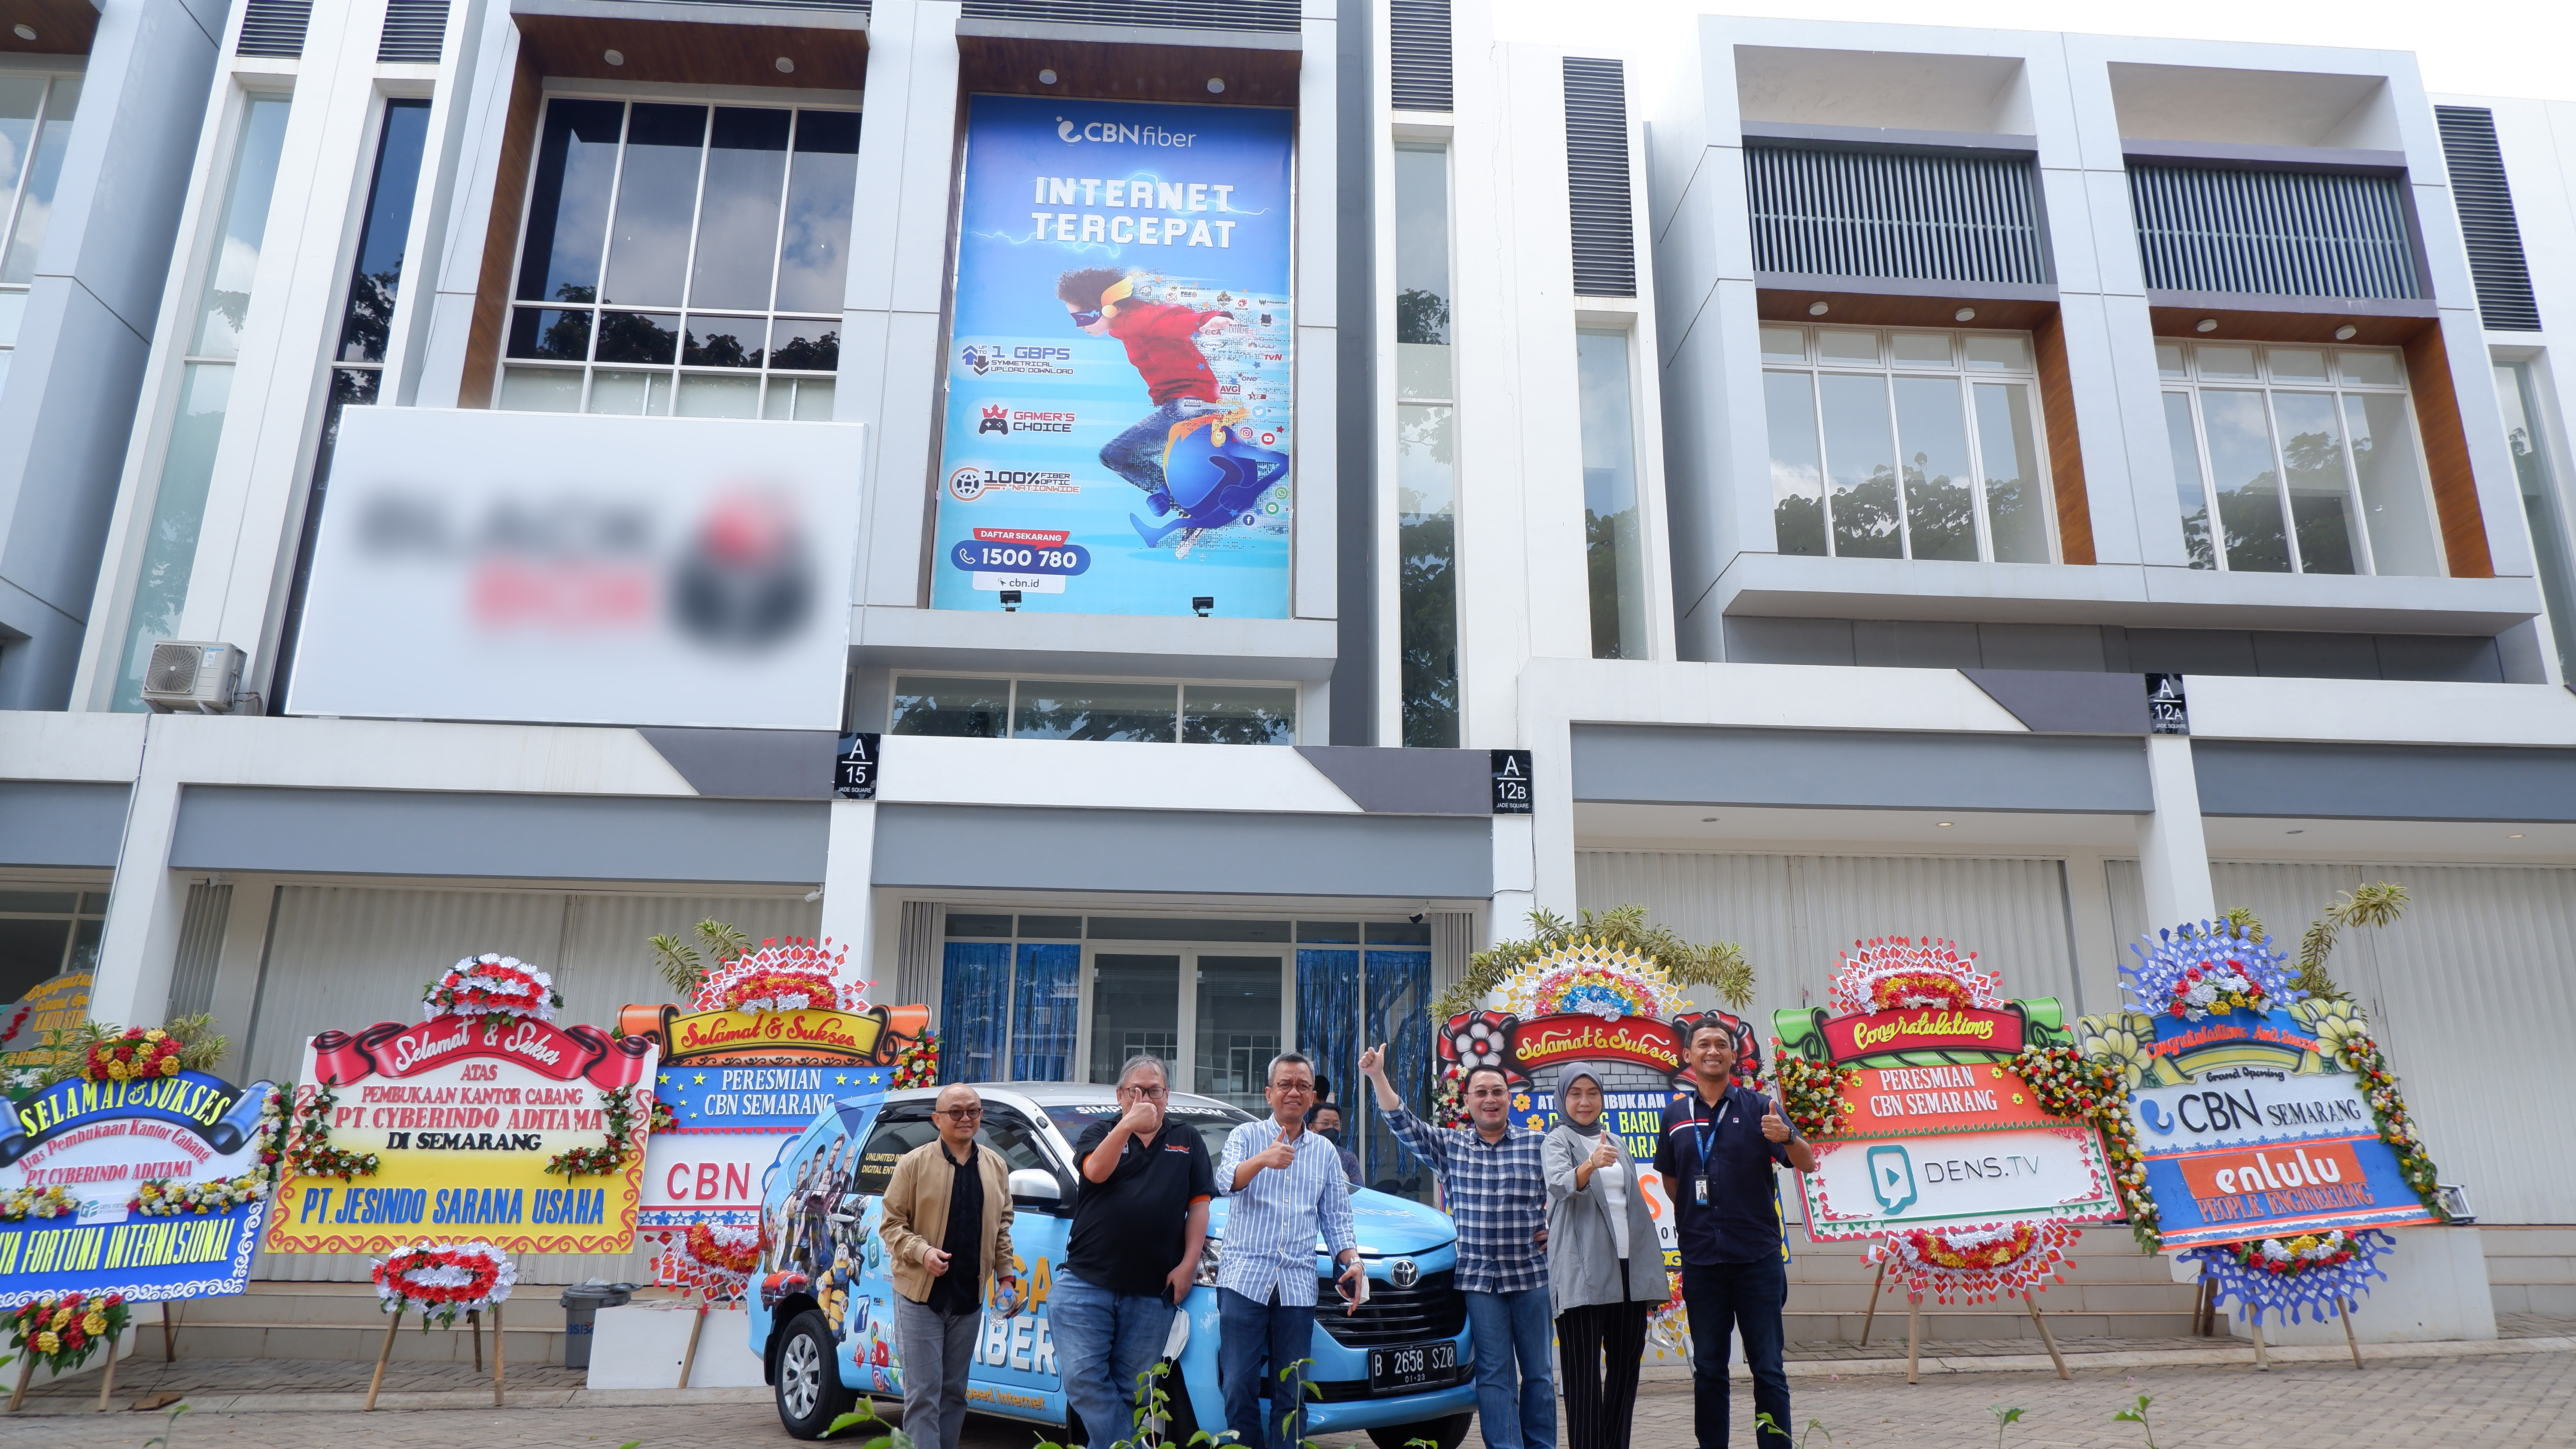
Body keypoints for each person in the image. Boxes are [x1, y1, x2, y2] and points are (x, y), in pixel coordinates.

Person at [1359, 1043, 1555, 1449]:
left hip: (1532, 1276)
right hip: (1480, 1283)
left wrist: (1559, 1227)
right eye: (1481, 1092)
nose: (1490, 1099)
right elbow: (1401, 1122)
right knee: (1494, 1374)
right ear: (1467, 1101)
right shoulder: (1452, 1147)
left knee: (1538, 1374)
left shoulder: (1539, 1145)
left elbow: (1572, 1192)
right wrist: (1378, 1076)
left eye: (1497, 1091)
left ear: (1509, 1097)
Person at [1653, 1026, 1815, 1449]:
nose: (1713, 1051)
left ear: (1733, 1056)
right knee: (1708, 1367)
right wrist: (1699, 1212)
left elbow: (1808, 1162)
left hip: (1756, 1259)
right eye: (1703, 1044)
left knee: (1768, 1368)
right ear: (1688, 1055)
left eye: (1721, 1044)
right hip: (1703, 1260)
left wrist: (1789, 1136)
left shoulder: (1763, 1106)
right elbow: (1673, 1180)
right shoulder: (1673, 1115)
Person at [1057, 1056, 1214, 1447]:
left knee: (1135, 1392)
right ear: (1120, 1096)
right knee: (1083, 1381)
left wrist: (1189, 1264)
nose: (1147, 1098)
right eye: (1136, 1091)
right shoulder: (1101, 1131)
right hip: (1086, 1284)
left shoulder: (1188, 1138)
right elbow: (1096, 1172)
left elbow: (1199, 1205)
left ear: (1168, 1095)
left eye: (1155, 1091)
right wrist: (1127, 1125)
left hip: (1150, 1290)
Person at [1214, 1052, 1365, 1449]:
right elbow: (1225, 1181)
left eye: (1302, 1086)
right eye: (1285, 1085)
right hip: (1244, 1279)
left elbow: (1336, 1218)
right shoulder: (1245, 1137)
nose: (1293, 1092)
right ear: (1269, 1094)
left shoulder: (1325, 1153)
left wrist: (1351, 1261)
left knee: (1293, 1388)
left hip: (1297, 1283)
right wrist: (1264, 1159)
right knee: (1238, 1383)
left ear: (1312, 1096)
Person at [879, 1084, 1022, 1449]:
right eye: (955, 1112)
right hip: (920, 1296)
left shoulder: (995, 1166)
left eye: (973, 1111)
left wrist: (1006, 1278)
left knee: (955, 1393)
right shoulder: (913, 1164)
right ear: (937, 1119)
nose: (965, 1119)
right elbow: (891, 1224)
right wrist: (922, 1252)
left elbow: (1001, 1229)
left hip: (968, 1299)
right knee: (924, 1395)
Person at [1542, 1064, 1669, 1449]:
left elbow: (1630, 1203)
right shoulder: (1557, 1139)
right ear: (1563, 1098)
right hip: (1584, 1272)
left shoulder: (1614, 1138)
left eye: (1592, 1093)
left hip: (1629, 1272)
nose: (1585, 1101)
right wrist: (1590, 1163)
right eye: (1576, 1093)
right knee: (1581, 1380)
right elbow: (1560, 1184)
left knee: (1625, 1374)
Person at [1058, 266, 1233, 513]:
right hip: (1191, 404)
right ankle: (1198, 495)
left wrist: (1204, 321)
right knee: (1156, 458)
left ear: (1108, 308)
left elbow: (1171, 321)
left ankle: (1190, 502)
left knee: (1115, 455)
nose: (1080, 327)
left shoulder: (1138, 319)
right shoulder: (1128, 323)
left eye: (1083, 318)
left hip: (1187, 407)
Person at [1306, 1101, 1362, 1186]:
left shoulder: (1348, 1158)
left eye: (1336, 1124)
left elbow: (1359, 1190)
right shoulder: (1302, 1154)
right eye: (1326, 1124)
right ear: (1311, 1127)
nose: (1331, 1128)